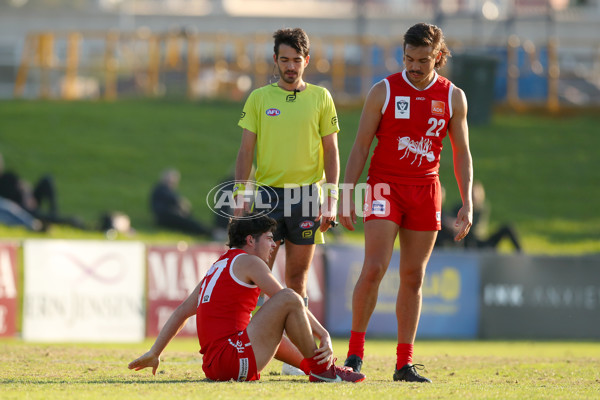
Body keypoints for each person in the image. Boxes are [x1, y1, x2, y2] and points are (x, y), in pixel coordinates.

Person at [338, 22, 474, 383]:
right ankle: (354, 355)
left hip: (426, 192)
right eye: (408, 58)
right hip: (384, 188)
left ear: (439, 57)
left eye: (423, 60)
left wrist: (467, 201)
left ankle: (404, 364)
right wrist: (347, 194)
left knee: (413, 277)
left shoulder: (453, 97)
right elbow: (360, 146)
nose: (414, 66)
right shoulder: (383, 91)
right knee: (375, 267)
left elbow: (462, 153)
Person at [128, 213, 365, 383]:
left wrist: (155, 352)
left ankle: (313, 368)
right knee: (289, 299)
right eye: (269, 238)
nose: (274, 244)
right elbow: (286, 297)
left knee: (274, 324)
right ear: (251, 240)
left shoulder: (219, 265)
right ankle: (323, 370)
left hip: (215, 366)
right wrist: (323, 334)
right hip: (233, 358)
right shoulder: (250, 261)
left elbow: (182, 311)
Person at [234, 28, 340, 303]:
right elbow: (246, 150)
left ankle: (296, 344)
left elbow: (331, 151)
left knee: (297, 280)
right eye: (284, 60)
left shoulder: (321, 97)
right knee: (258, 276)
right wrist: (240, 194)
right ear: (275, 60)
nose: (291, 66)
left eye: (296, 59)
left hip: (306, 195)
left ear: (306, 60)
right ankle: (251, 343)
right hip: (268, 195)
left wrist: (331, 198)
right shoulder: (259, 98)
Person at [0, 152, 85, 230]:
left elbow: (24, 185)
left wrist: (28, 197)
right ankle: (66, 221)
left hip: (28, 203)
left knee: (47, 179)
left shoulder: (8, 176)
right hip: (20, 211)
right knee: (40, 216)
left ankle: (54, 213)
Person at [458, 180, 522, 252]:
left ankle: (521, 254)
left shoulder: (482, 208)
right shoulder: (460, 208)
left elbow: (474, 224)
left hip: (482, 242)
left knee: (507, 228)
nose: (474, 197)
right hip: (468, 243)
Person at [150, 168, 213, 237]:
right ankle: (211, 232)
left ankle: (209, 231)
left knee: (190, 222)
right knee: (189, 223)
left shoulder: (168, 190)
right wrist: (182, 202)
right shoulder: (161, 188)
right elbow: (175, 200)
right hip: (166, 217)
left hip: (169, 216)